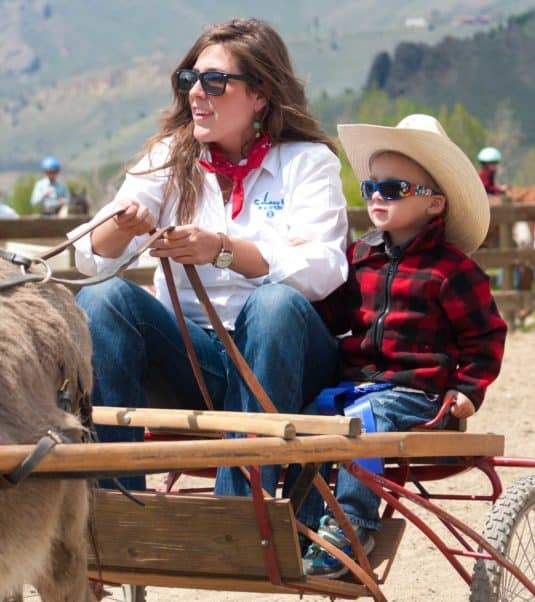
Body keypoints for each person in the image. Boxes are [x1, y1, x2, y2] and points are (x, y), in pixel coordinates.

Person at [69, 18, 348, 532]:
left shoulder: (308, 163)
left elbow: (323, 269)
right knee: (104, 297)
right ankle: (115, 509)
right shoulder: (169, 158)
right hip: (195, 359)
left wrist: (223, 251)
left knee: (275, 303)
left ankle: (238, 511)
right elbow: (92, 255)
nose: (197, 93)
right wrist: (120, 227)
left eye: (215, 82)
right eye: (189, 79)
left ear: (260, 95)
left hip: (284, 355)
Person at [303, 114, 508, 578]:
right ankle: (305, 519)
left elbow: (485, 336)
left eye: (394, 189)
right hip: (356, 384)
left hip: (417, 393)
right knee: (309, 418)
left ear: (434, 204)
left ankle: (351, 525)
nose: (377, 196)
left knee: (364, 420)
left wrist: (468, 389)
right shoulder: (358, 257)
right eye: (371, 187)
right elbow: (330, 316)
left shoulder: (451, 271)